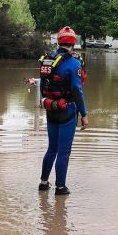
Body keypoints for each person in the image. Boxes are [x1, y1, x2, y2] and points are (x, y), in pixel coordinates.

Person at [28, 26, 88, 195]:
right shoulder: (73, 63)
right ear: (73, 42)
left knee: (52, 148)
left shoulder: (48, 60)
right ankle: (60, 187)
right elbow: (77, 90)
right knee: (63, 151)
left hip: (50, 108)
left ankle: (43, 183)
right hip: (67, 110)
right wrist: (84, 114)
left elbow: (47, 83)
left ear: (59, 41)